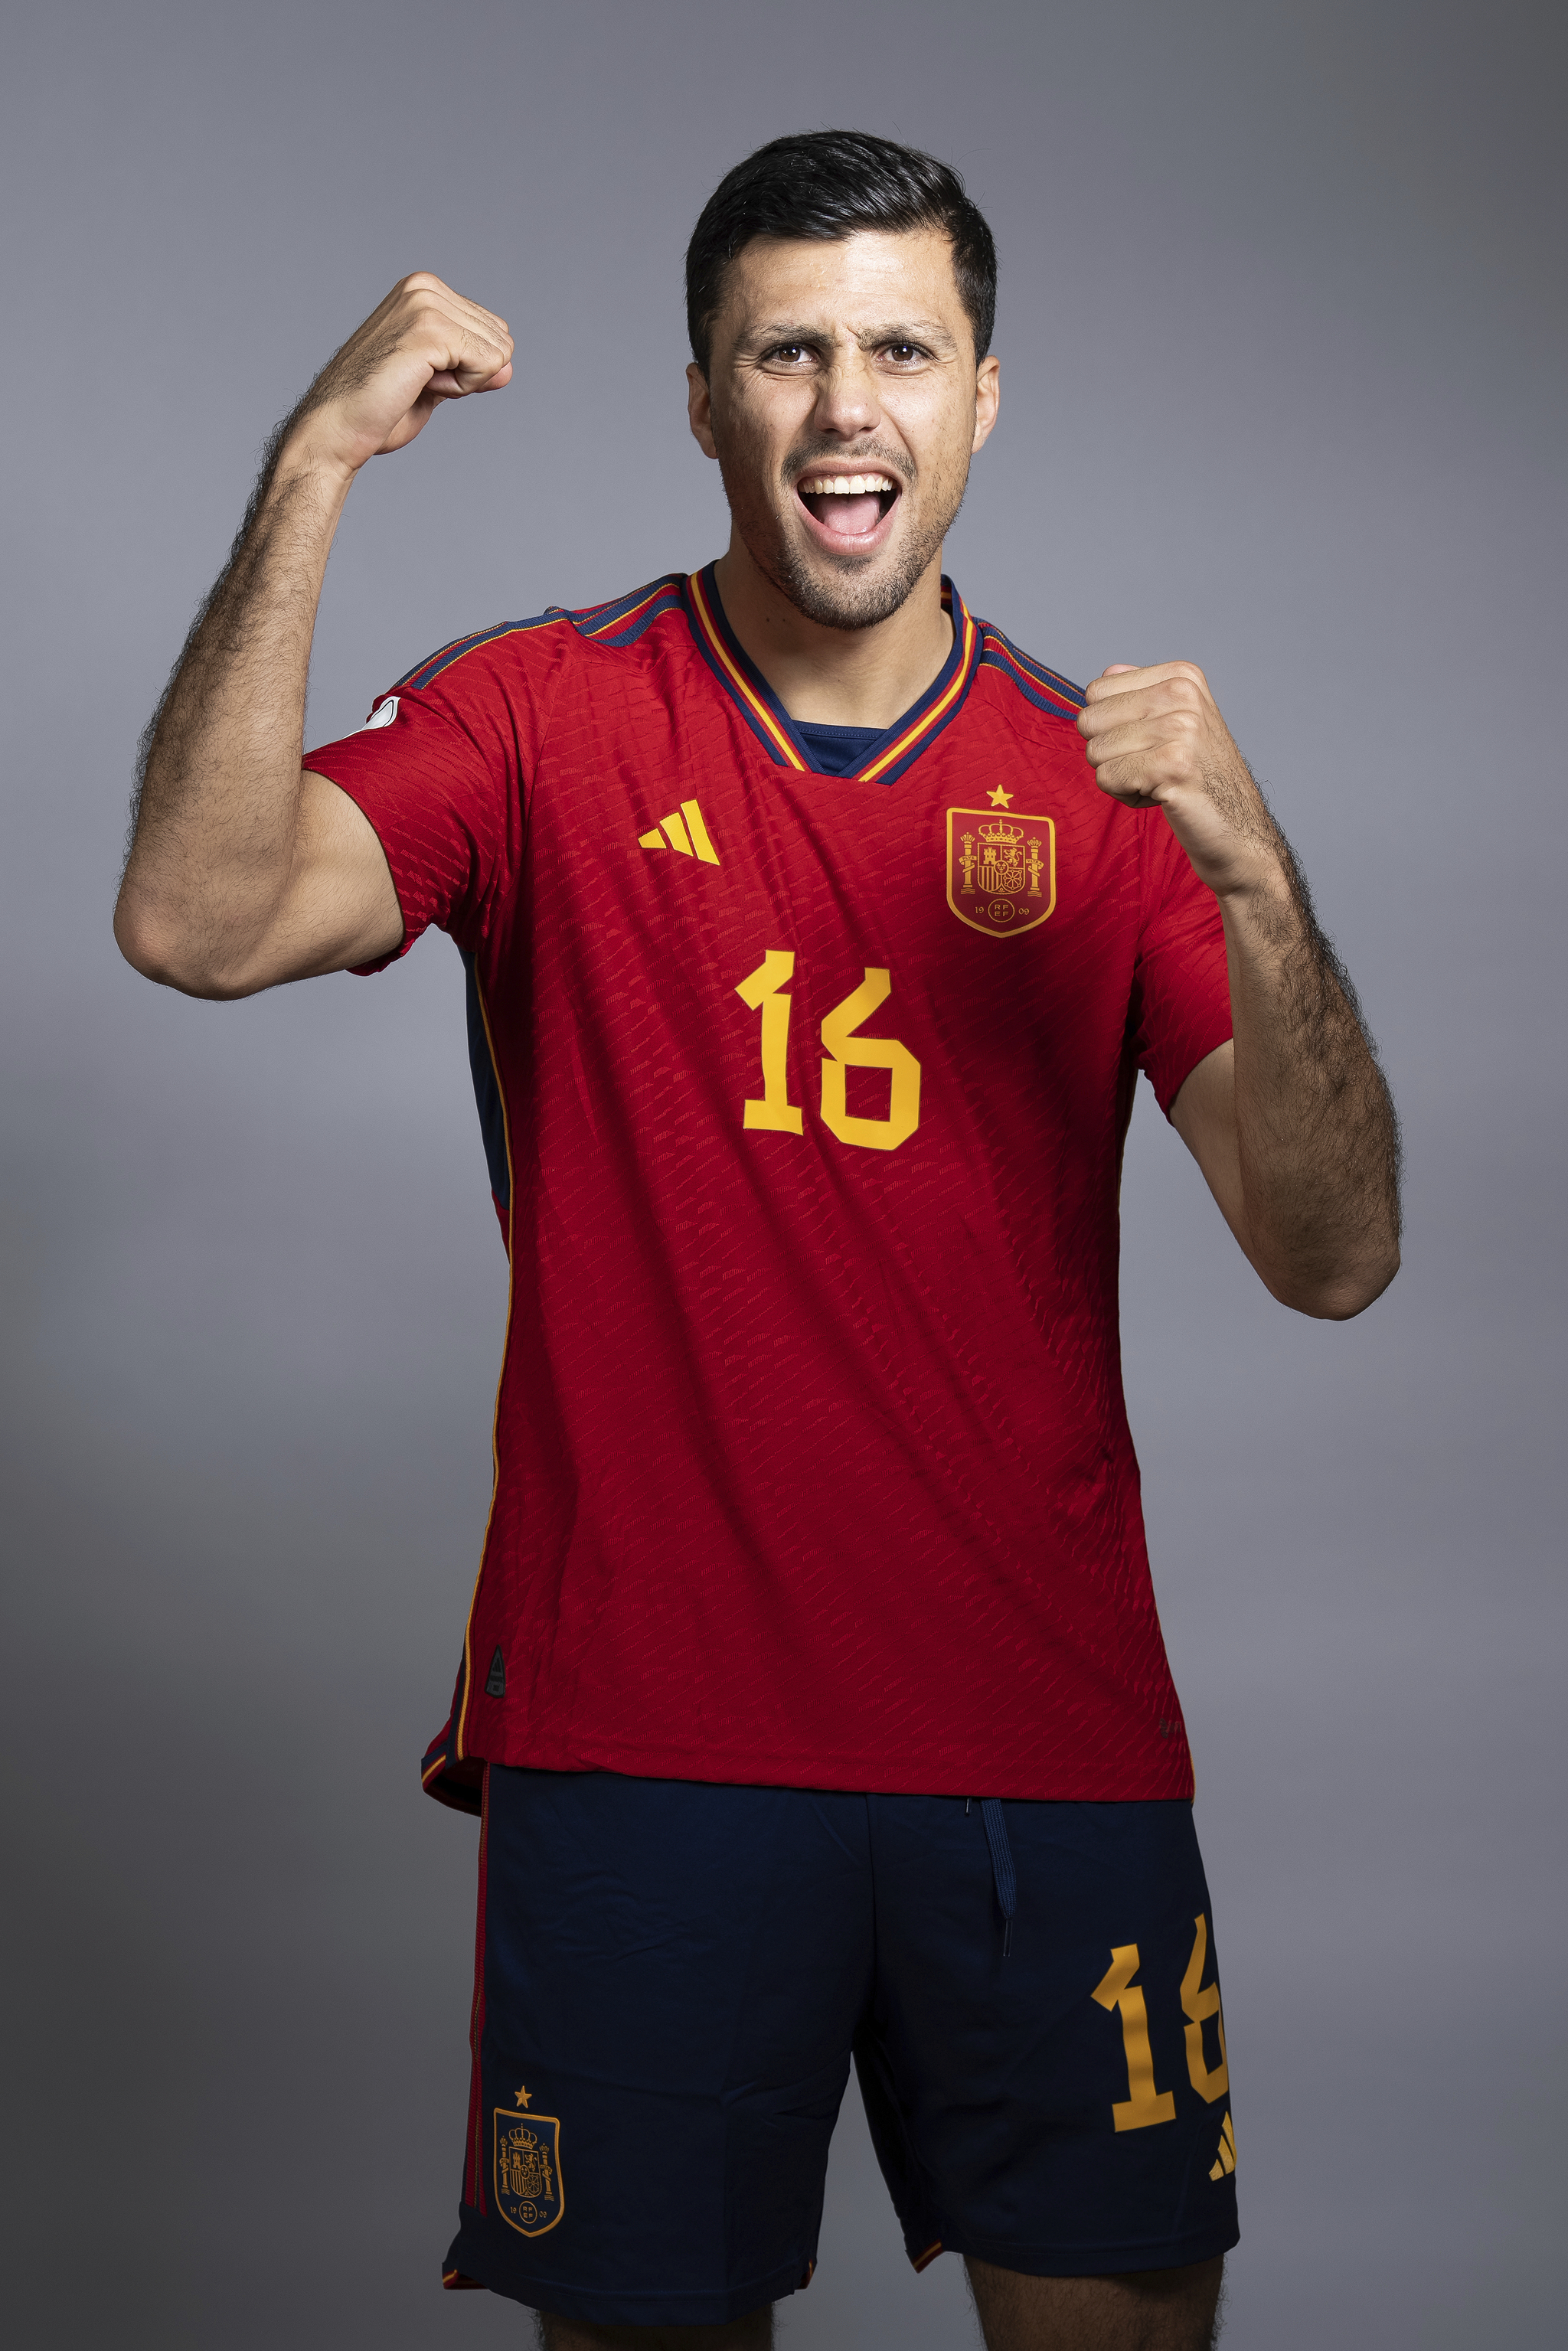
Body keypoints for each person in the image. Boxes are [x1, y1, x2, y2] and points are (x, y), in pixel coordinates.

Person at [115, 129, 1400, 2351]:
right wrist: (315, 465)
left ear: (982, 395)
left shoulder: (1109, 793)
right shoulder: (539, 717)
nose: (843, 409)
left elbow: (1334, 1251)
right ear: (702, 398)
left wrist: (1265, 886)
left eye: (900, 349)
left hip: (1043, 1752)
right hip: (652, 1750)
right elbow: (196, 916)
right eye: (783, 352)